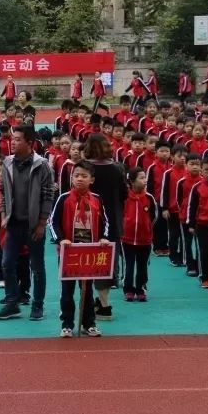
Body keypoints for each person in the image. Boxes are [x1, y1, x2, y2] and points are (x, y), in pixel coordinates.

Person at [0, 126, 54, 322]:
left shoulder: (42, 165)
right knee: (7, 263)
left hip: (34, 224)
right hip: (14, 223)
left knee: (37, 267)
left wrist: (42, 223)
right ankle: (12, 302)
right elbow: (2, 191)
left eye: (18, 139)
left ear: (30, 143)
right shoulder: (8, 163)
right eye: (12, 139)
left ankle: (37, 305)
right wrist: (4, 214)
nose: (13, 142)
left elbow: (47, 196)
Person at [48, 161, 106, 338]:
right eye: (76, 175)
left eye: (84, 176)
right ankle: (67, 323)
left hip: (89, 253)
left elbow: (106, 222)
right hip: (69, 253)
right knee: (67, 291)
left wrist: (104, 237)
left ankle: (89, 323)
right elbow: (53, 222)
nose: (80, 179)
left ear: (92, 179)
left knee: (87, 290)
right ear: (72, 178)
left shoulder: (97, 199)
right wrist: (61, 239)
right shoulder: (64, 198)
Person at [83, 133, 127, 319]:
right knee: (105, 261)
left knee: (85, 262)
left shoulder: (85, 169)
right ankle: (104, 304)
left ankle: (93, 305)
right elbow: (124, 194)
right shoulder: (117, 168)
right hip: (113, 221)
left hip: (88, 222)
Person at [121, 167, 156, 302]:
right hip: (127, 239)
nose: (145, 180)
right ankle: (128, 289)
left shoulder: (149, 198)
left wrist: (147, 227)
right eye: (141, 178)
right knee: (128, 266)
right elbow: (120, 214)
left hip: (145, 239)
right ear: (132, 181)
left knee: (142, 266)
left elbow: (154, 216)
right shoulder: (124, 197)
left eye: (145, 177)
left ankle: (141, 289)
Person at [187, 158, 208, 290]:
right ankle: (205, 278)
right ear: (202, 171)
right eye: (206, 170)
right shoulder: (197, 187)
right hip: (202, 225)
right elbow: (192, 206)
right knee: (204, 251)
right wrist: (191, 224)